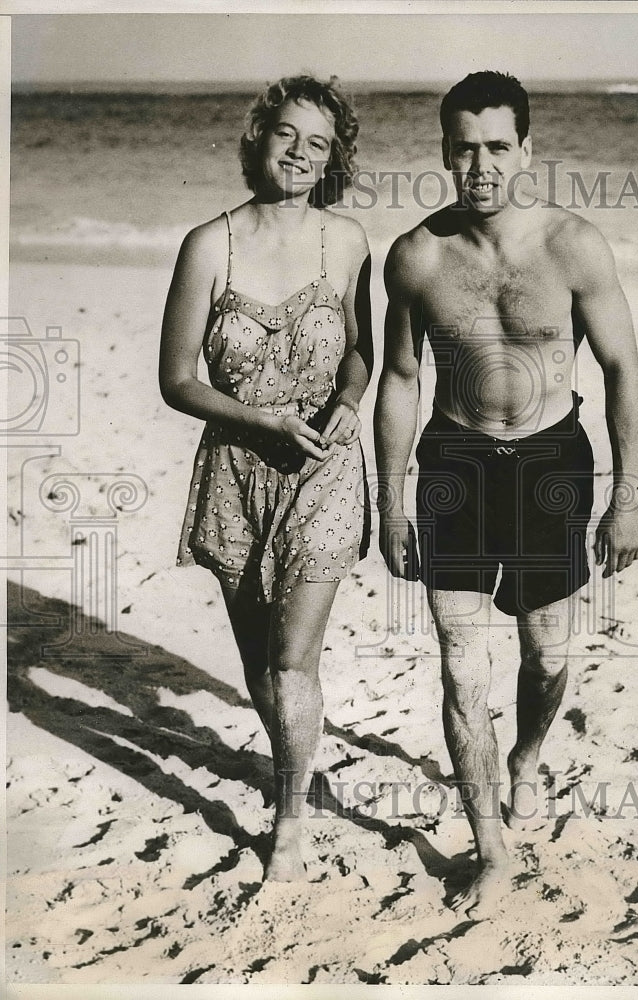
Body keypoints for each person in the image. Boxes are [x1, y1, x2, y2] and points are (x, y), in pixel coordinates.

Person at [374, 71, 638, 917]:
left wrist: (626, 495)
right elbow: (401, 378)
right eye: (465, 148)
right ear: (445, 152)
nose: (482, 165)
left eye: (498, 146)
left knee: (546, 655)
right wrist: (391, 500)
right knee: (460, 668)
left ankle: (526, 755)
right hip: (455, 463)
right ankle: (489, 844)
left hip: (549, 465)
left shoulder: (573, 245)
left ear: (526, 148)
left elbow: (623, 372)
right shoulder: (417, 255)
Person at [160, 75, 372, 881]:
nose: (299, 152)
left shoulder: (347, 241)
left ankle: (289, 821)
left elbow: (363, 350)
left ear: (332, 159)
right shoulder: (208, 244)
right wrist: (261, 420)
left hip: (324, 469)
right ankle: (293, 759)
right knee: (260, 667)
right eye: (287, 134)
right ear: (258, 136)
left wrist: (349, 399)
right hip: (236, 470)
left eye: (318, 143)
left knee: (292, 663)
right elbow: (178, 378)